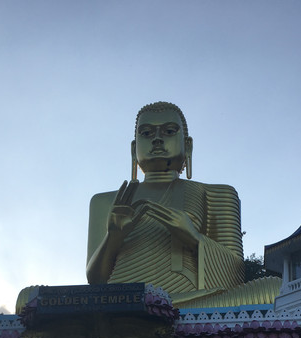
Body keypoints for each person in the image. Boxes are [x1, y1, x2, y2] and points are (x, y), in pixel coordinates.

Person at [86, 101, 245, 304]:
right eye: (146, 133)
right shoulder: (105, 201)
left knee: (270, 289)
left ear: (187, 145)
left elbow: (236, 274)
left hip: (189, 302)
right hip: (121, 303)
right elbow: (96, 281)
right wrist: (113, 237)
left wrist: (193, 238)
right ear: (134, 148)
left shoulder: (216, 193)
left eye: (169, 131)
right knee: (33, 296)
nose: (158, 140)